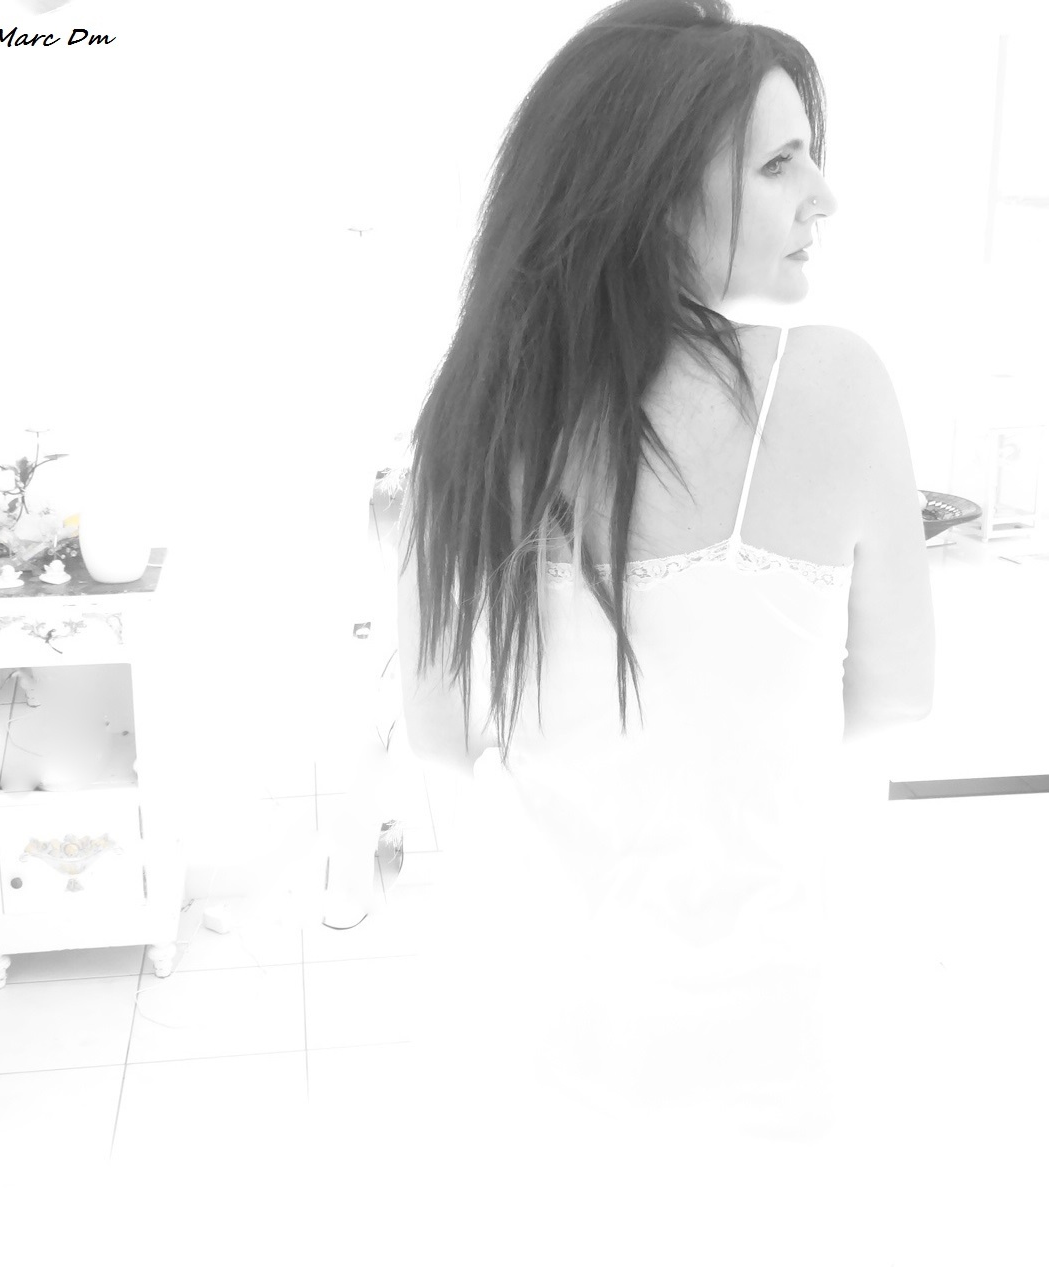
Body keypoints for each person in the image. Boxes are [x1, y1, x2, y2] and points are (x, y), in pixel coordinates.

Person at [393, 0, 934, 1255]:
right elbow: (898, 698)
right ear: (654, 190)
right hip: (777, 1028)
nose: (824, 196)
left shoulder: (468, 424)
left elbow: (440, 730)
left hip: (554, 1022)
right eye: (781, 162)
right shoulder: (836, 383)